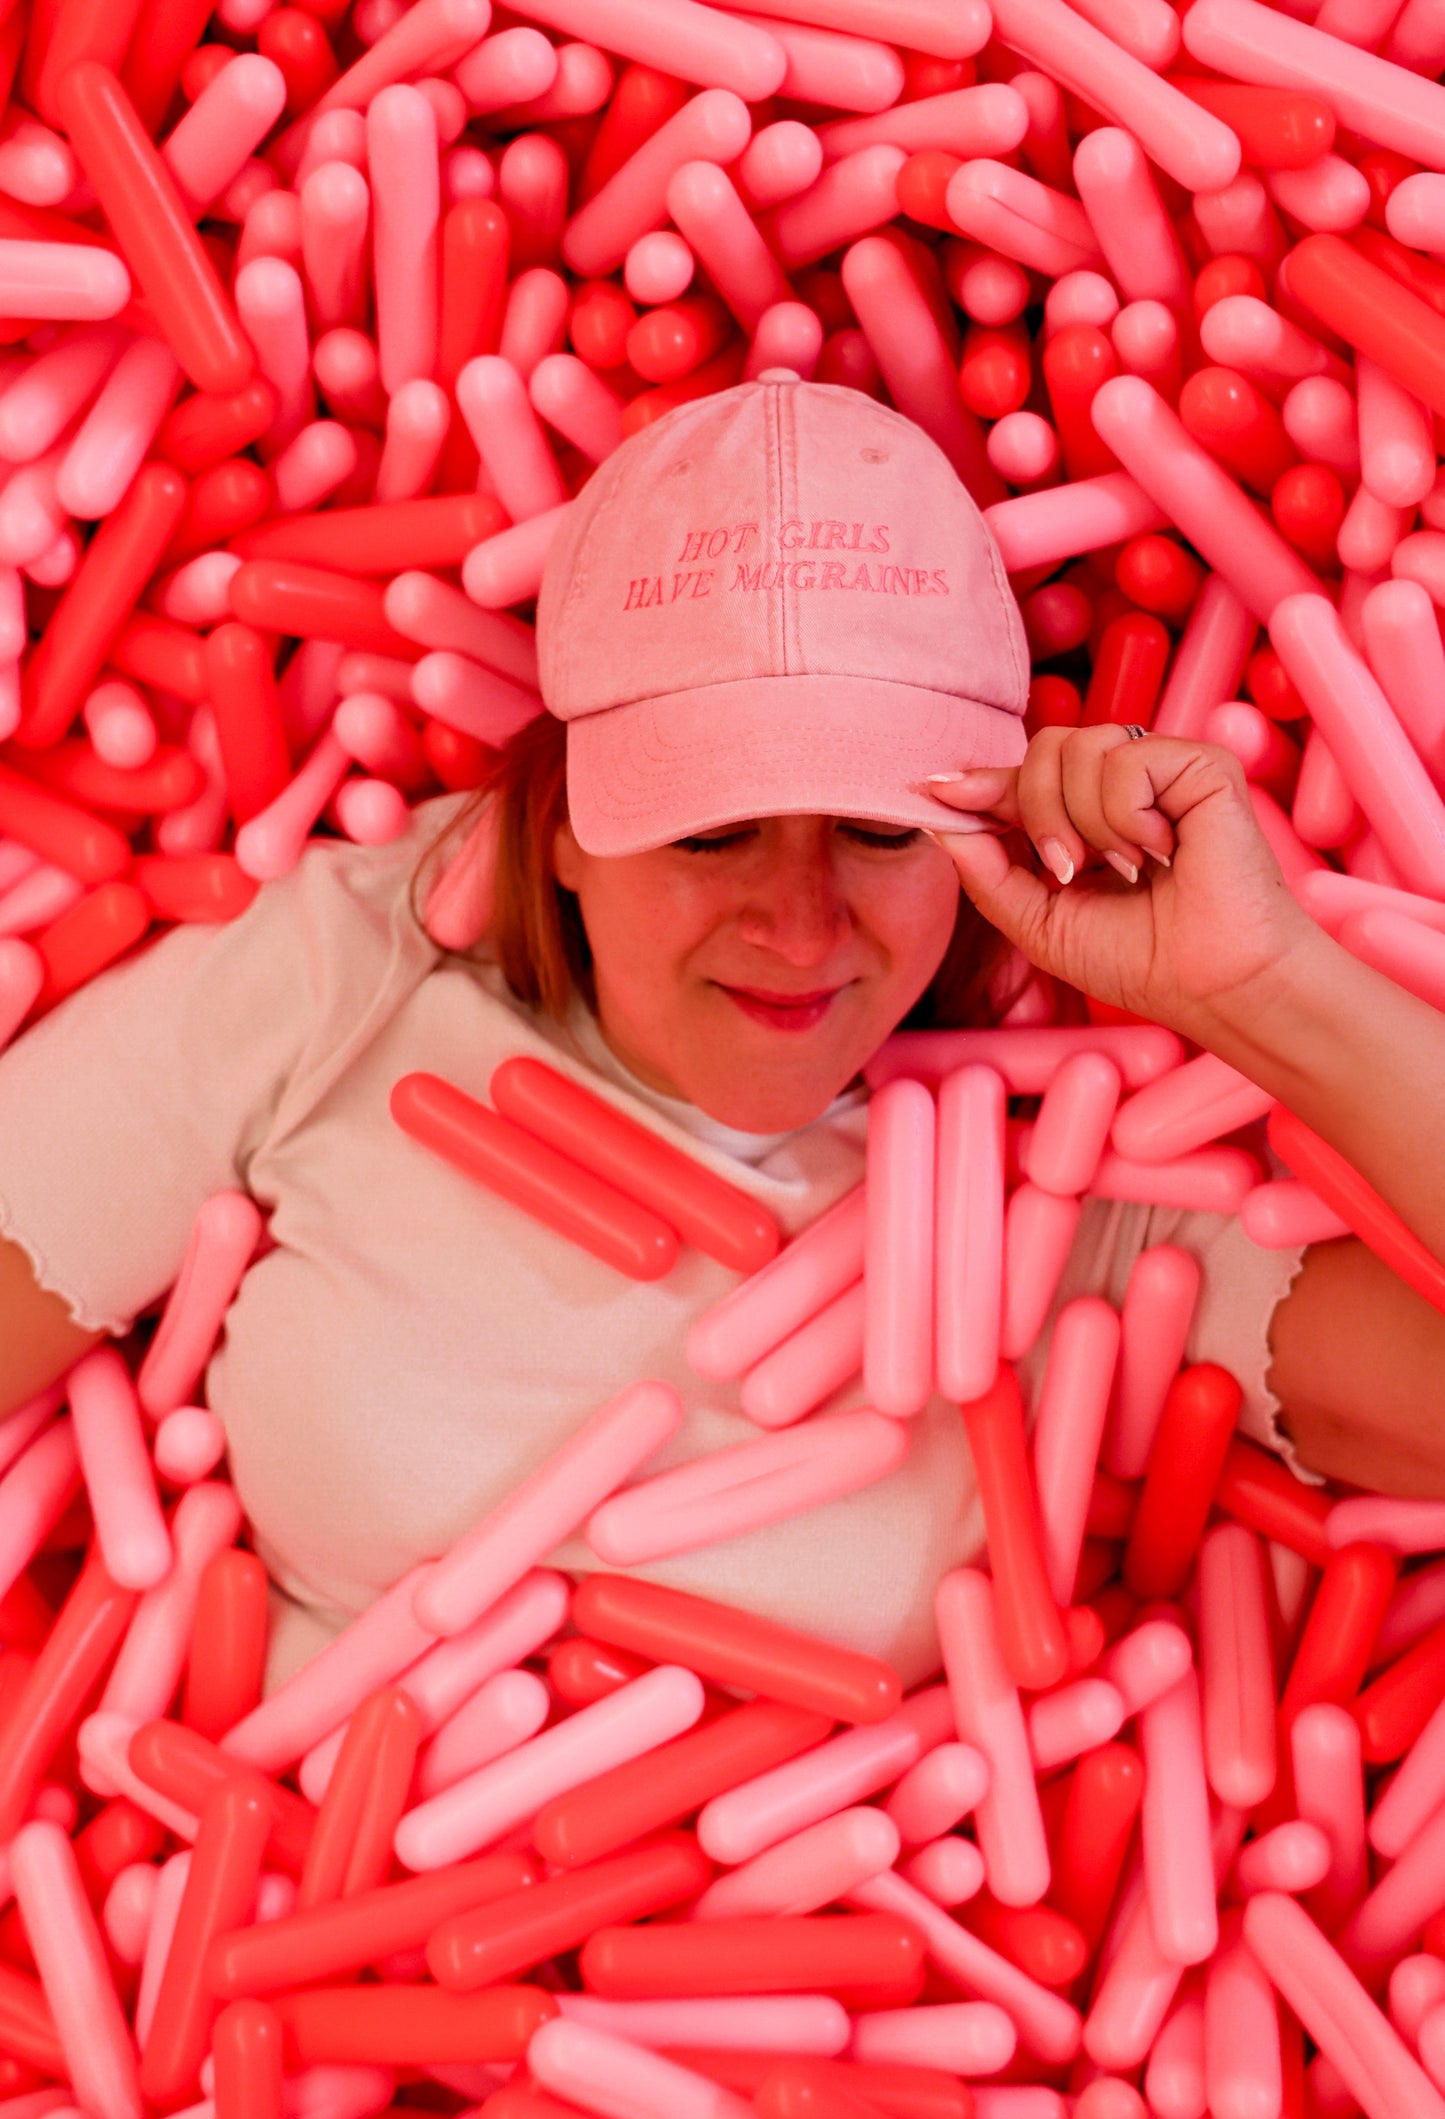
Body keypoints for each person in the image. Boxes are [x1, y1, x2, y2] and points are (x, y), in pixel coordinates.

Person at [1, 372, 1443, 1691]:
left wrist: (1265, 988)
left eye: (881, 827)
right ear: (559, 825)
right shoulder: (343, 978)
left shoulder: (1080, 1166)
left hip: (879, 1955)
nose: (800, 923)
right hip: (291, 1933)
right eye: (713, 831)